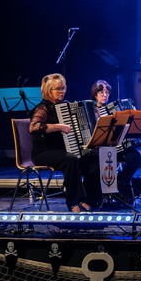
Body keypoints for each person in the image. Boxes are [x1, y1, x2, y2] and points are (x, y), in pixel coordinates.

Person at [29, 73, 101, 212]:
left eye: (63, 88)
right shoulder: (42, 109)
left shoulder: (65, 106)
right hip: (43, 152)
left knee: (92, 159)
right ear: (48, 90)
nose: (62, 92)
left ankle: (88, 199)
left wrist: (95, 116)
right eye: (58, 89)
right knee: (71, 159)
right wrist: (58, 127)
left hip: (62, 151)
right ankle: (73, 202)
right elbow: (33, 127)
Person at [90, 79, 141, 203]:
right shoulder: (90, 109)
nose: (105, 95)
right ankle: (102, 194)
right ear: (95, 94)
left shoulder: (114, 109)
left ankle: (120, 183)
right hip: (99, 147)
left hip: (117, 146)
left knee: (135, 157)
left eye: (107, 92)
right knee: (103, 158)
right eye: (101, 92)